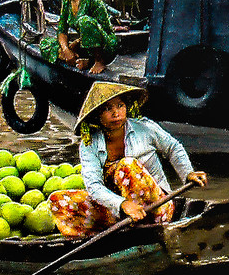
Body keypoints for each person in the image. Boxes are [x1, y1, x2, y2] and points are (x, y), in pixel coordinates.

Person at [47, 81, 207, 237]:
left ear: (127, 107)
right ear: (97, 115)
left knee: (127, 165)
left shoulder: (145, 128)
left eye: (120, 106)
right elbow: (93, 186)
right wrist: (122, 204)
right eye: (108, 109)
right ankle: (120, 232)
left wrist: (188, 173)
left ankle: (140, 228)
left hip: (156, 209)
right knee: (57, 201)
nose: (116, 113)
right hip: (121, 213)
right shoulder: (89, 144)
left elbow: (173, 148)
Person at [42, 0, 117, 74]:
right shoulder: (67, 2)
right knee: (46, 44)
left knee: (85, 21)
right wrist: (66, 50)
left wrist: (76, 43)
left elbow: (103, 30)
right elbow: (62, 30)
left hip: (104, 47)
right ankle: (79, 58)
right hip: (87, 45)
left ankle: (98, 61)